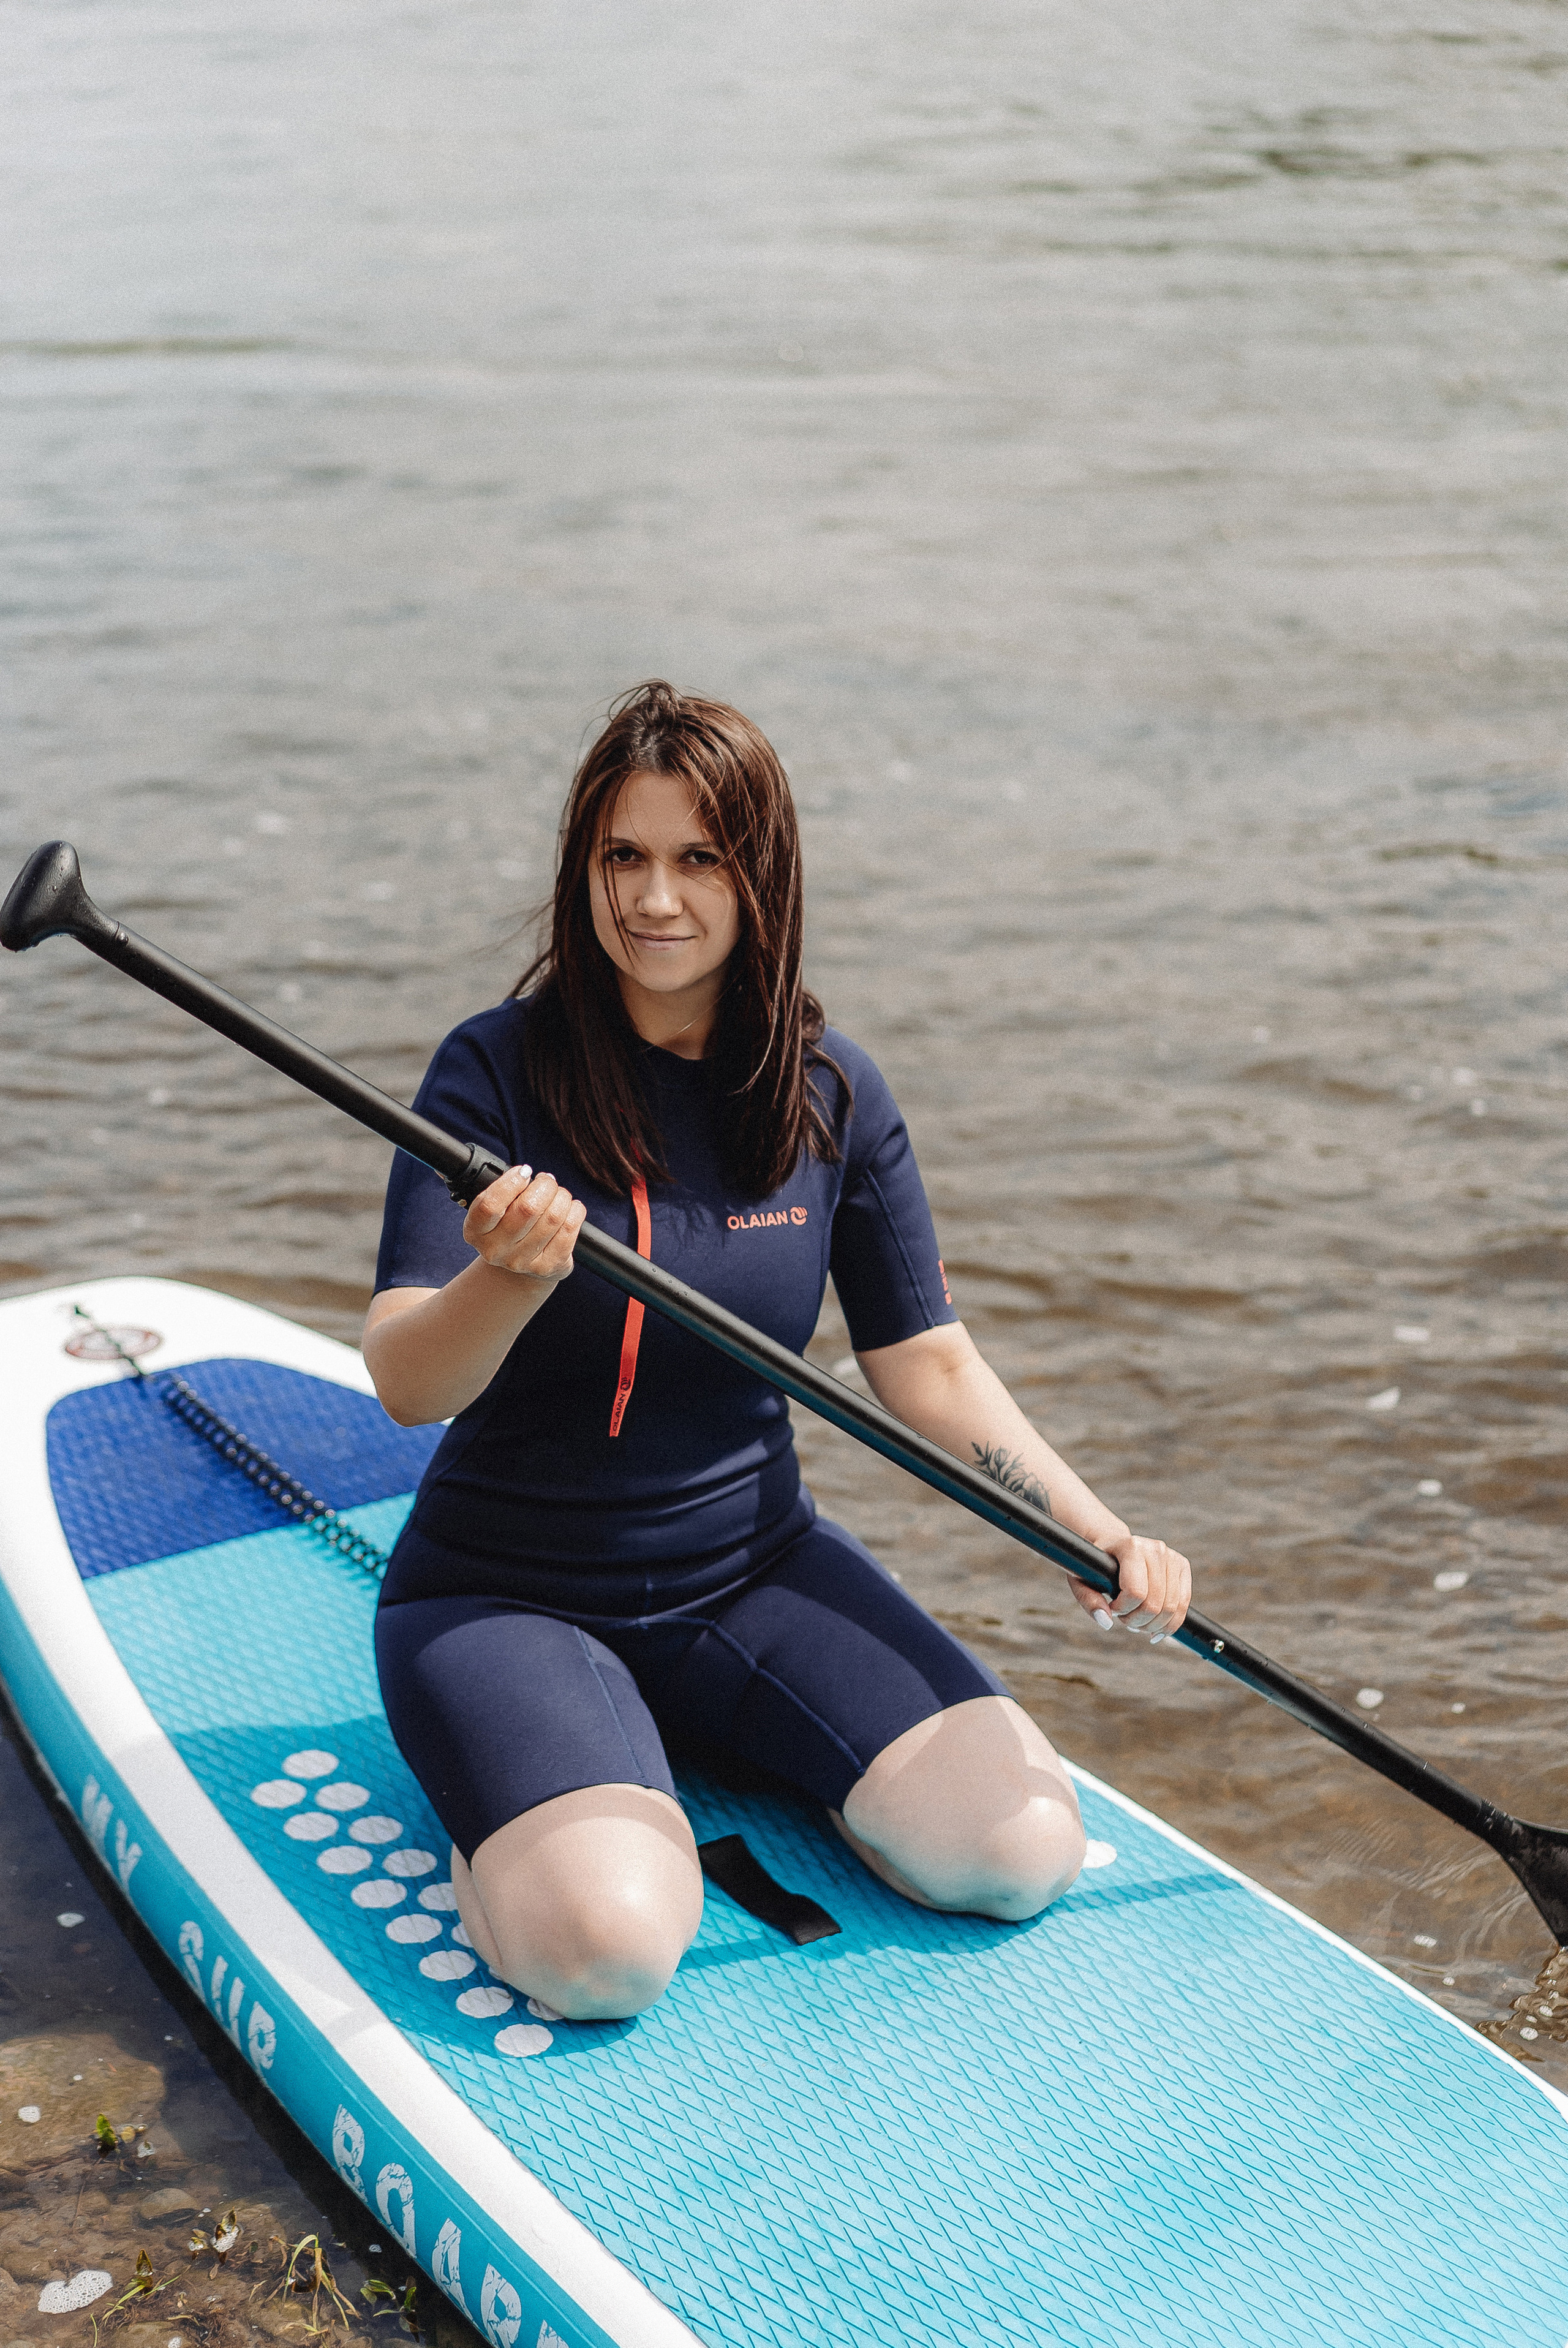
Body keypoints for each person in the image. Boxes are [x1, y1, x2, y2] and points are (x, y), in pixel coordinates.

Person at [363, 681, 1192, 2023]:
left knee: (1015, 1853)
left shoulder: (830, 1094)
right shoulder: (494, 1075)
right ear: (582, 869)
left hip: (750, 1570)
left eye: (698, 859)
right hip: (504, 1594)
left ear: (763, 878)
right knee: (609, 1956)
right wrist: (504, 1283)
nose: (653, 898)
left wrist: (1092, 1533)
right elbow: (407, 1383)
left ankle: (683, 1744)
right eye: (619, 857)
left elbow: (923, 1360)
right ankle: (525, 1815)